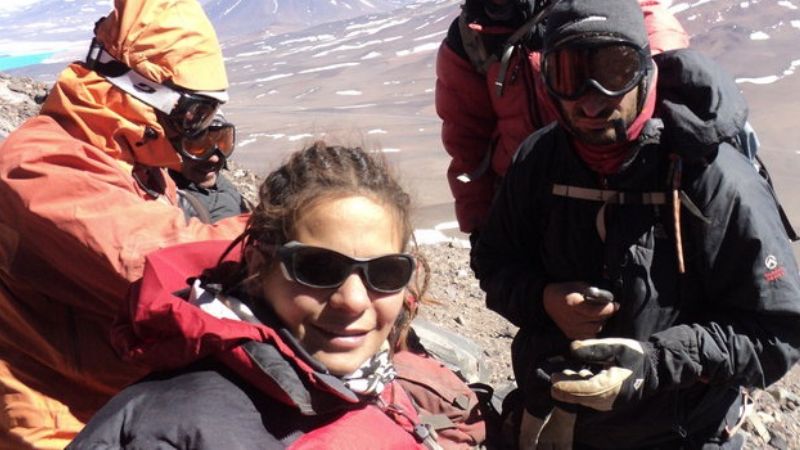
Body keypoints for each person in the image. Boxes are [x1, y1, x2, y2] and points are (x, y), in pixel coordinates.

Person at [472, 0, 800, 448]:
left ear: (647, 70)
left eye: (613, 71)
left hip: (679, 435)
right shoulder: (539, 160)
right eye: (568, 75)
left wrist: (655, 362)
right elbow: (493, 260)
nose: (589, 101)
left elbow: (777, 333)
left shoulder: (713, 176)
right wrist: (544, 299)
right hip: (561, 421)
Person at [68, 142, 450, 449]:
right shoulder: (168, 427)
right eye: (317, 268)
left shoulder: (362, 379)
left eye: (385, 272)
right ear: (258, 266)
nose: (352, 300)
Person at [0, 0, 248, 447]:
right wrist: (296, 233)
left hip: (114, 403)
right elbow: (166, 263)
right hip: (61, 423)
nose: (197, 130)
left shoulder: (129, 162)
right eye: (195, 113)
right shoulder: (41, 165)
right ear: (142, 90)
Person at [435, 0, 689, 235]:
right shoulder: (470, 37)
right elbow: (467, 140)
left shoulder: (598, 8)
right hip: (522, 201)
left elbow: (659, 51)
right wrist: (481, 226)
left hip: (611, 187)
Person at [168, 114, 251, 224]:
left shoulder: (218, 182)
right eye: (198, 148)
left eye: (222, 144)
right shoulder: (177, 209)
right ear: (173, 149)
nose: (214, 158)